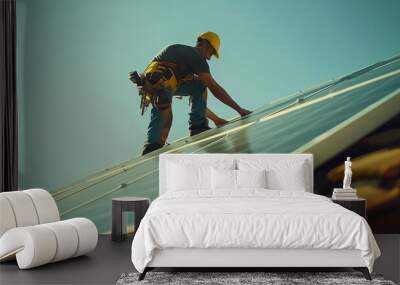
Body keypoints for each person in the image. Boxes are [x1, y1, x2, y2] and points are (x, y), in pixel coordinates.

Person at [130, 32, 251, 155]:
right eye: (211, 53)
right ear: (206, 45)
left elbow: (200, 105)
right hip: (161, 85)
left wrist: (215, 119)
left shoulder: (183, 60)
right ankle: (155, 145)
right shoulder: (195, 56)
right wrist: (240, 110)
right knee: (164, 104)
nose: (209, 58)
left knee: (199, 84)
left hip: (160, 84)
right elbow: (215, 89)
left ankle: (194, 127)